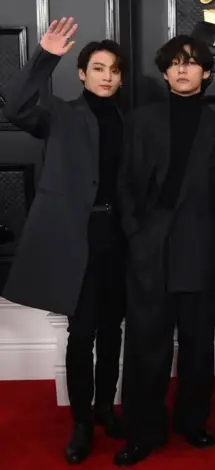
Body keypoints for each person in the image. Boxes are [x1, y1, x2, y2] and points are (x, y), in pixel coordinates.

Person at [1, 17, 126, 464]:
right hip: (77, 239)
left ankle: (105, 409)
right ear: (82, 73)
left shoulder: (130, 121)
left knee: (112, 329)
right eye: (98, 68)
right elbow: (15, 107)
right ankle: (81, 423)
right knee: (83, 332)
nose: (106, 77)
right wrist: (45, 57)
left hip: (119, 240)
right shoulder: (60, 113)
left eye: (114, 70)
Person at [114, 35, 215, 466]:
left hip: (201, 247)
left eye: (192, 62)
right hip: (149, 247)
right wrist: (136, 236)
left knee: (198, 345)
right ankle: (143, 431)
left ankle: (193, 422)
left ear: (206, 72)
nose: (183, 69)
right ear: (165, 72)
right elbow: (124, 185)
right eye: (175, 63)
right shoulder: (139, 121)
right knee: (146, 344)